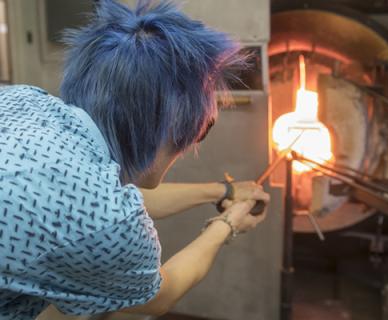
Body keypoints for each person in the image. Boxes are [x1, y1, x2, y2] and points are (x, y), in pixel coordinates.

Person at [0, 0, 270, 318]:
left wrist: (221, 191)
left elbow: (100, 204)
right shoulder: (106, 221)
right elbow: (161, 294)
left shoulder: (23, 98)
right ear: (172, 129)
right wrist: (228, 223)